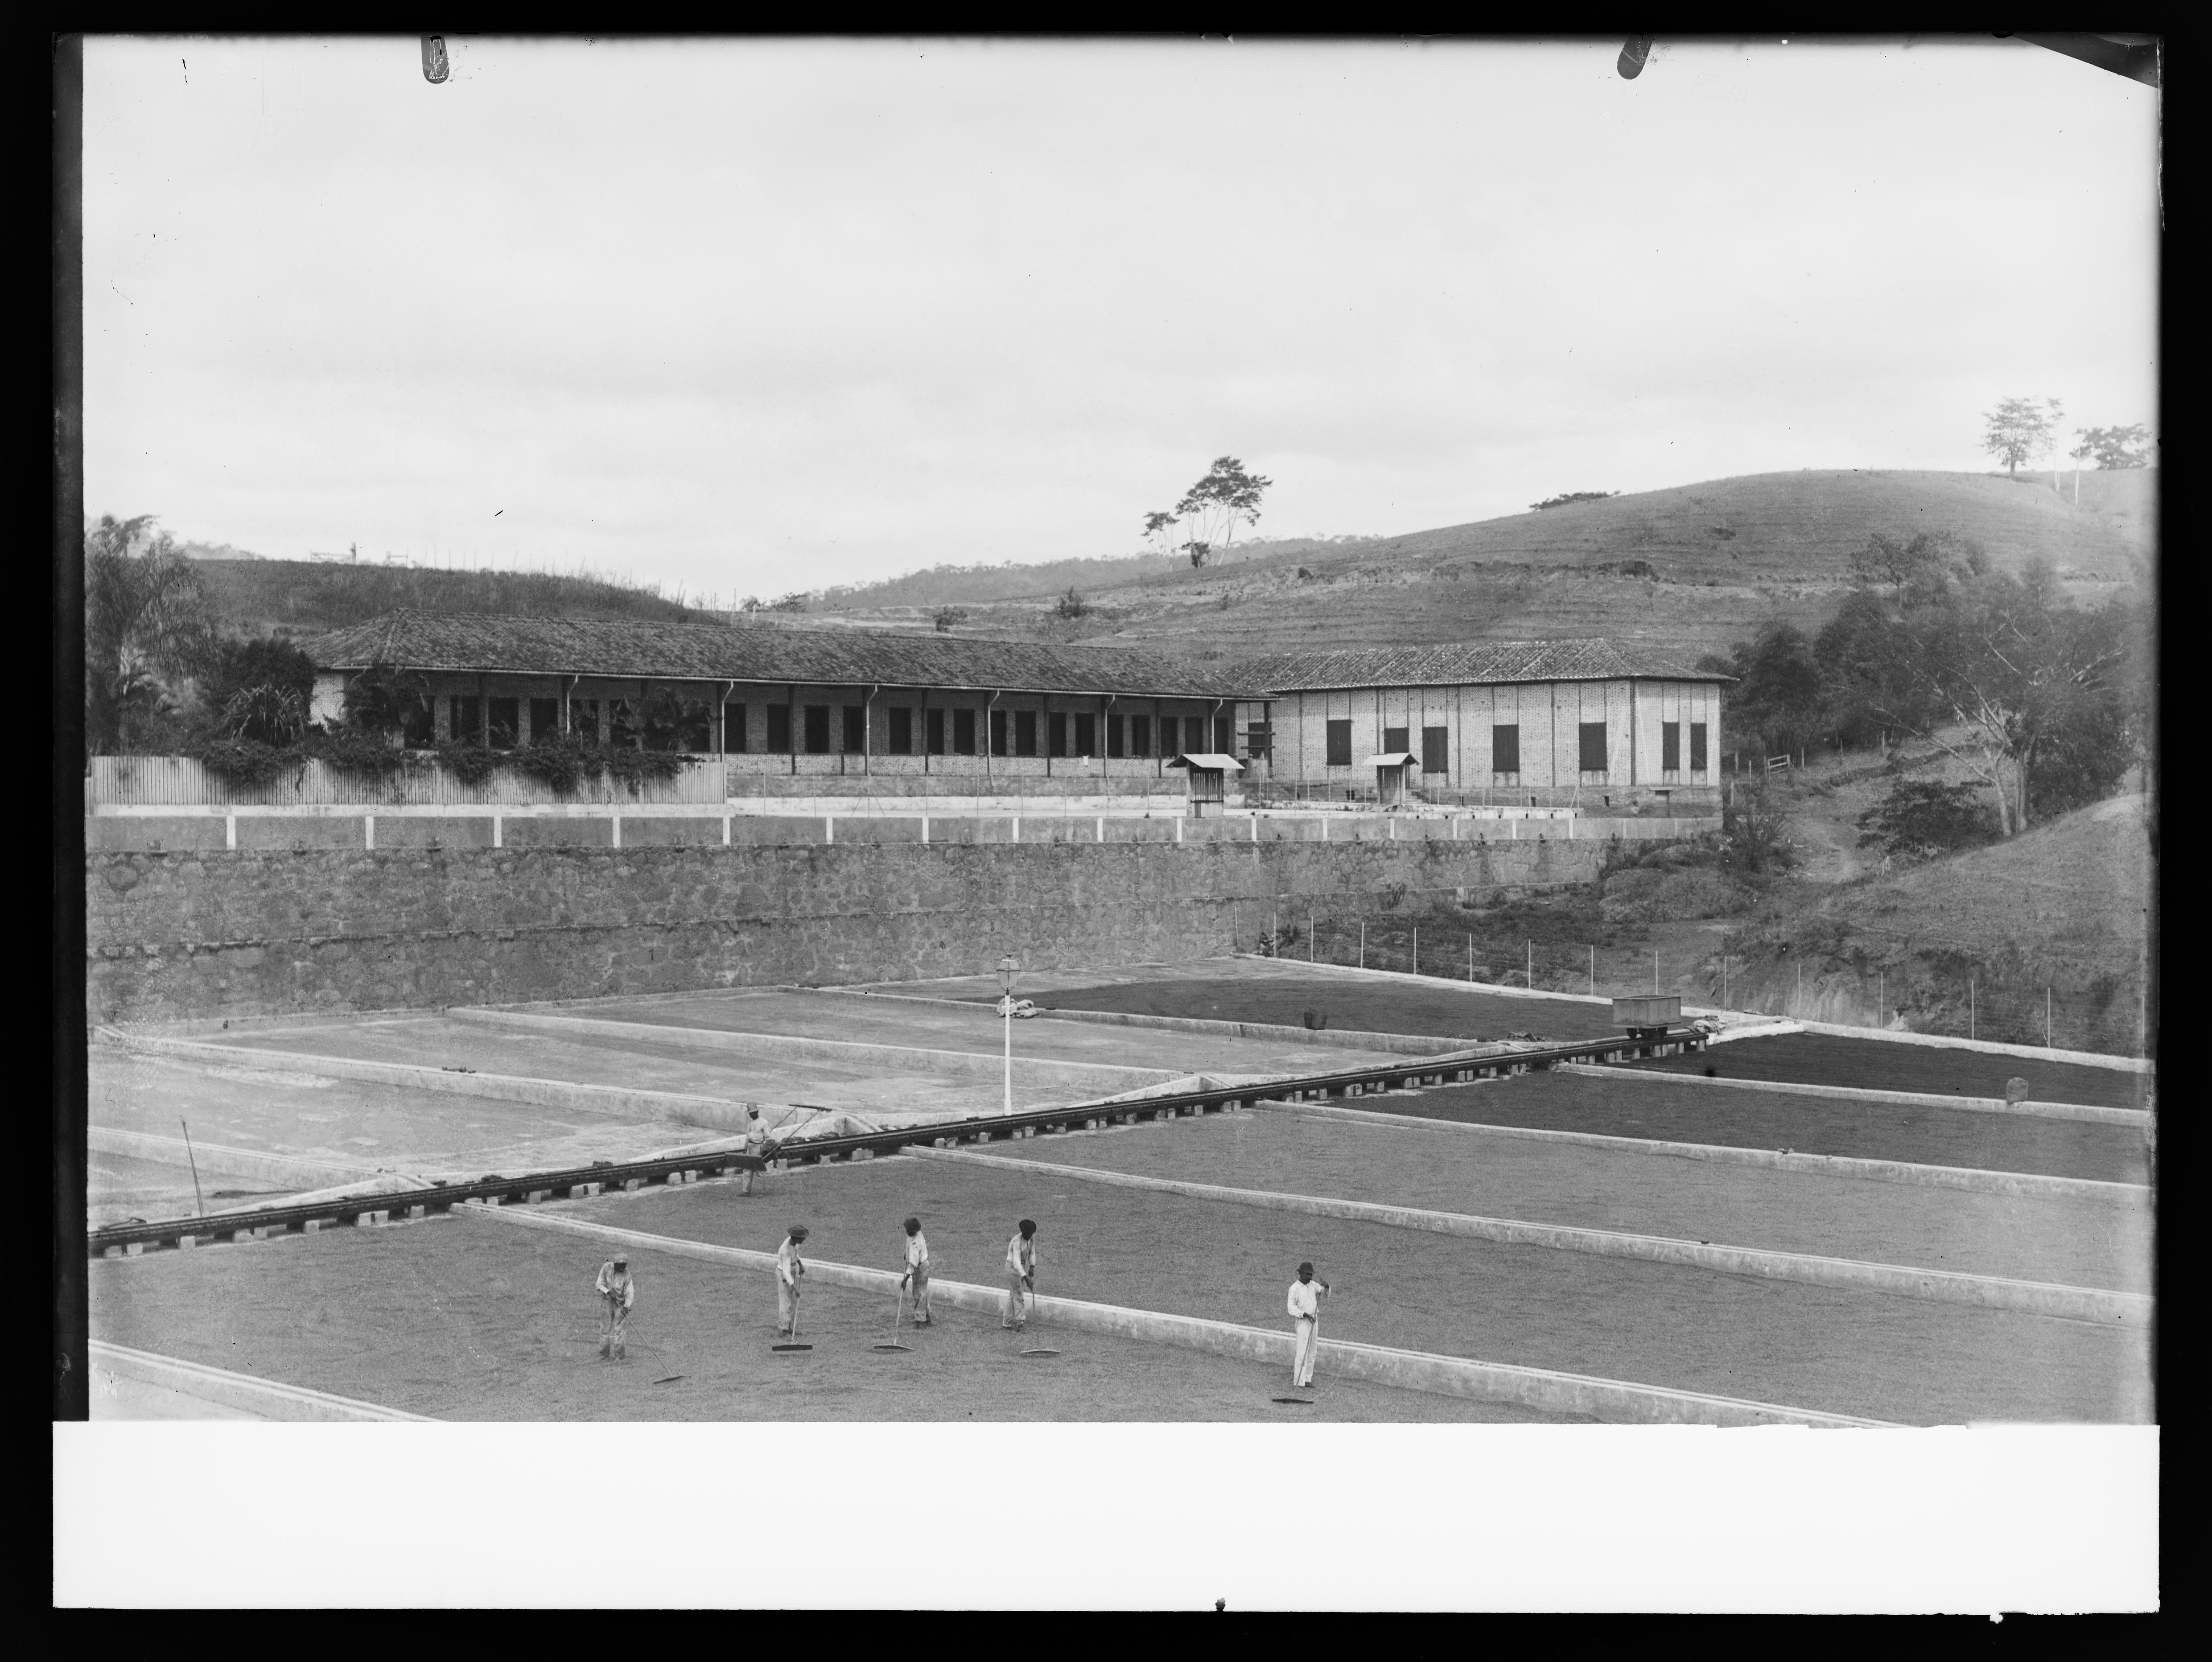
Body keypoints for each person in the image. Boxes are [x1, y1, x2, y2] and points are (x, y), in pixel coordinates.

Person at [1287, 1262, 1331, 1391]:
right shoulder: (1294, 1289)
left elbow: (1324, 1293)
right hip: (1303, 1322)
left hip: (1314, 1320)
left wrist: (1326, 1286)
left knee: (1313, 1350)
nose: (1310, 1277)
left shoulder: (1313, 1285)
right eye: (1307, 1274)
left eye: (1311, 1275)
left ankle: (1307, 1379)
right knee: (1302, 1352)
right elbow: (1291, 1309)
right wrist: (1305, 1314)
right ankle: (1299, 1381)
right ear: (1301, 1273)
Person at [595, 1254, 636, 1361]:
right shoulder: (606, 1268)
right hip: (607, 1303)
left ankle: (619, 1357)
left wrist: (627, 1307)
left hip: (620, 1305)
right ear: (614, 1263)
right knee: (605, 1330)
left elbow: (630, 1293)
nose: (621, 1268)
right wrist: (608, 1292)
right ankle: (603, 1355)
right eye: (619, 1266)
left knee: (619, 1331)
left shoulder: (627, 1276)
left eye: (624, 1266)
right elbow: (599, 1284)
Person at [1002, 1218, 1038, 1331]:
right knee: (1019, 1296)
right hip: (1013, 1268)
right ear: (1023, 1232)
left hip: (1022, 1267)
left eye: (1031, 1234)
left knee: (1013, 1296)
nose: (1029, 1236)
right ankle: (1020, 1323)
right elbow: (1017, 1263)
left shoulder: (1031, 1237)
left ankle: (1007, 1323)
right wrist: (1026, 1278)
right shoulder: (1016, 1241)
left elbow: (1032, 1252)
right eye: (1027, 1234)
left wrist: (1032, 1266)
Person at [774, 1225, 808, 1336]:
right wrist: (795, 1288)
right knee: (786, 1303)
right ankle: (784, 1331)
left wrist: (801, 1265)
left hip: (792, 1274)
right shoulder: (786, 1250)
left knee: (793, 1302)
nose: (804, 1239)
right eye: (802, 1238)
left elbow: (796, 1254)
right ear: (797, 1238)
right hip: (784, 1276)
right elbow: (786, 1274)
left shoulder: (795, 1244)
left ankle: (790, 1328)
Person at [902, 1216, 932, 1326]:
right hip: (923, 1265)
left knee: (919, 1294)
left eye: (910, 1230)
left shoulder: (914, 1243)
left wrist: (905, 1279)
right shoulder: (918, 1234)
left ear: (914, 1231)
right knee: (921, 1293)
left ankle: (920, 1321)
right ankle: (927, 1316)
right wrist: (907, 1254)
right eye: (907, 1229)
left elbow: (913, 1264)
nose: (908, 1232)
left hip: (921, 1268)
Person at [741, 1108, 769, 1195]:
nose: (752, 1115)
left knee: (759, 1170)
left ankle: (763, 1192)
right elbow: (747, 1137)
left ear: (757, 1112)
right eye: (750, 1114)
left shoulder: (764, 1122)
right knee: (747, 1170)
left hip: (758, 1147)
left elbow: (768, 1138)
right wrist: (745, 1149)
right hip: (750, 1147)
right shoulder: (750, 1123)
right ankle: (746, 1191)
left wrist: (765, 1150)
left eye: (753, 1113)